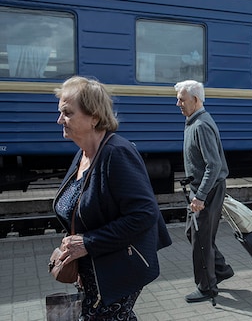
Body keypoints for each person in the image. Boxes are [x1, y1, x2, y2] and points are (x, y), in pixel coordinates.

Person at [53, 76, 172, 320]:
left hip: (117, 270)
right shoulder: (84, 154)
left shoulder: (116, 153)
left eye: (67, 113)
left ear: (94, 117)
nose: (59, 120)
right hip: (93, 269)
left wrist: (87, 243)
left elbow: (144, 215)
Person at [174, 80, 234, 303]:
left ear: (196, 100)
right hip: (201, 188)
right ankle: (221, 270)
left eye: (182, 99)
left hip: (207, 190)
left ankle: (207, 287)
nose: (177, 103)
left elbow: (214, 165)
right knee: (196, 234)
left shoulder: (200, 125)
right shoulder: (193, 121)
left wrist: (200, 196)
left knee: (201, 239)